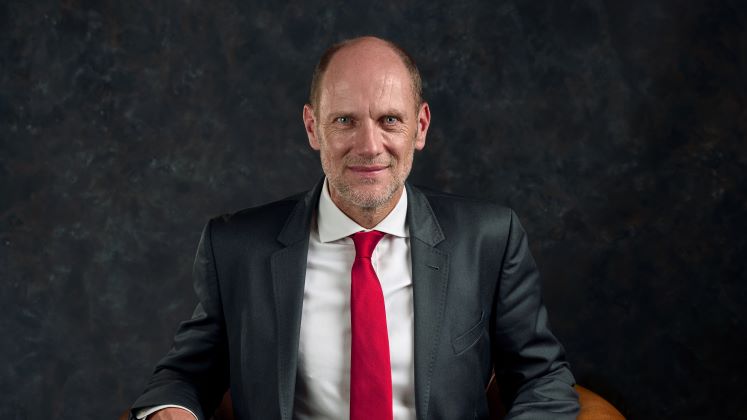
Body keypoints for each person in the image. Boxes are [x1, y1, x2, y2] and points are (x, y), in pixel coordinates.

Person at [130, 36, 579, 420]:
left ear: (419, 127)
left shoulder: (489, 239)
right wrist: (174, 411)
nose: (369, 146)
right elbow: (185, 374)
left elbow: (542, 376)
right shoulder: (236, 247)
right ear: (313, 127)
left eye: (389, 120)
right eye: (345, 120)